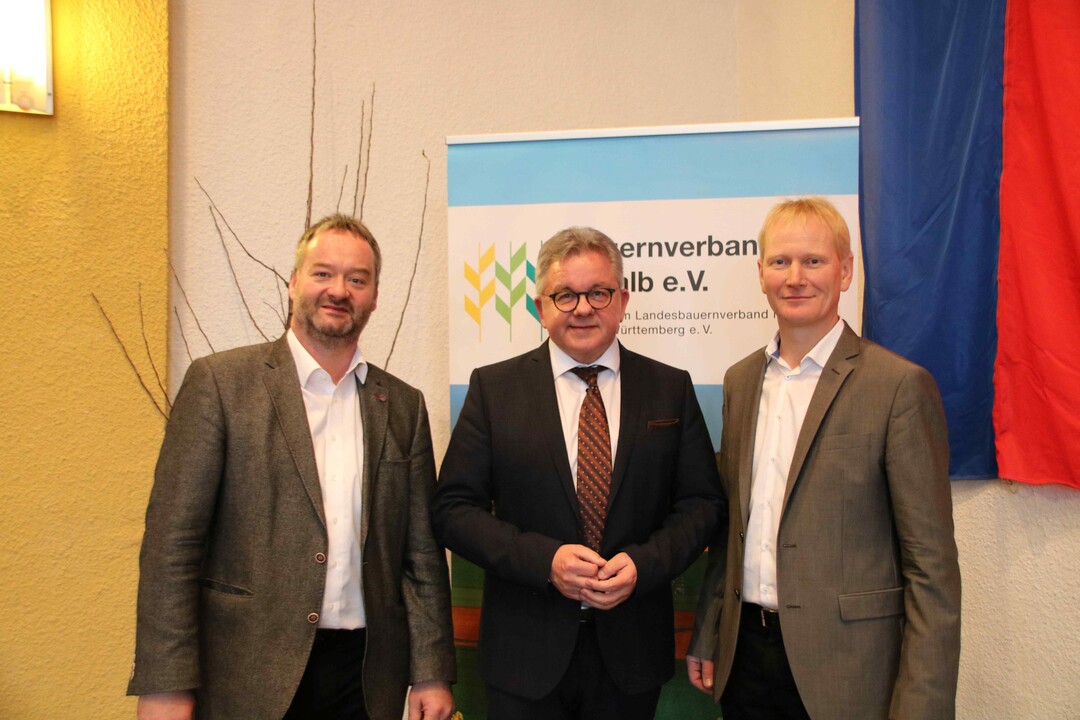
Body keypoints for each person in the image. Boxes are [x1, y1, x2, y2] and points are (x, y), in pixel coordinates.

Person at [128, 214, 455, 720]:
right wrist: (166, 685)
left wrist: (431, 671)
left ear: (373, 297)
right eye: (323, 273)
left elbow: (421, 555)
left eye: (357, 279)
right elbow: (172, 547)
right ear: (293, 283)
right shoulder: (220, 384)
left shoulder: (403, 405)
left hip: (368, 679)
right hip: (247, 672)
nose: (338, 290)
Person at [686, 197, 961, 719]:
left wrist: (923, 703)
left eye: (813, 261)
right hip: (744, 658)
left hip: (849, 670)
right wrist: (710, 628)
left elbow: (932, 568)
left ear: (846, 271)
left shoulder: (898, 386)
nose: (795, 277)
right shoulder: (740, 381)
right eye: (779, 261)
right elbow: (735, 527)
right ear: (760, 274)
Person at [432, 226, 721, 719]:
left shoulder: (669, 389)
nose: (583, 308)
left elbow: (703, 505)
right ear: (541, 306)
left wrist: (644, 564)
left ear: (623, 300)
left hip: (631, 655)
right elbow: (453, 510)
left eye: (598, 293)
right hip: (524, 657)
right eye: (566, 295)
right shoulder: (493, 390)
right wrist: (545, 561)